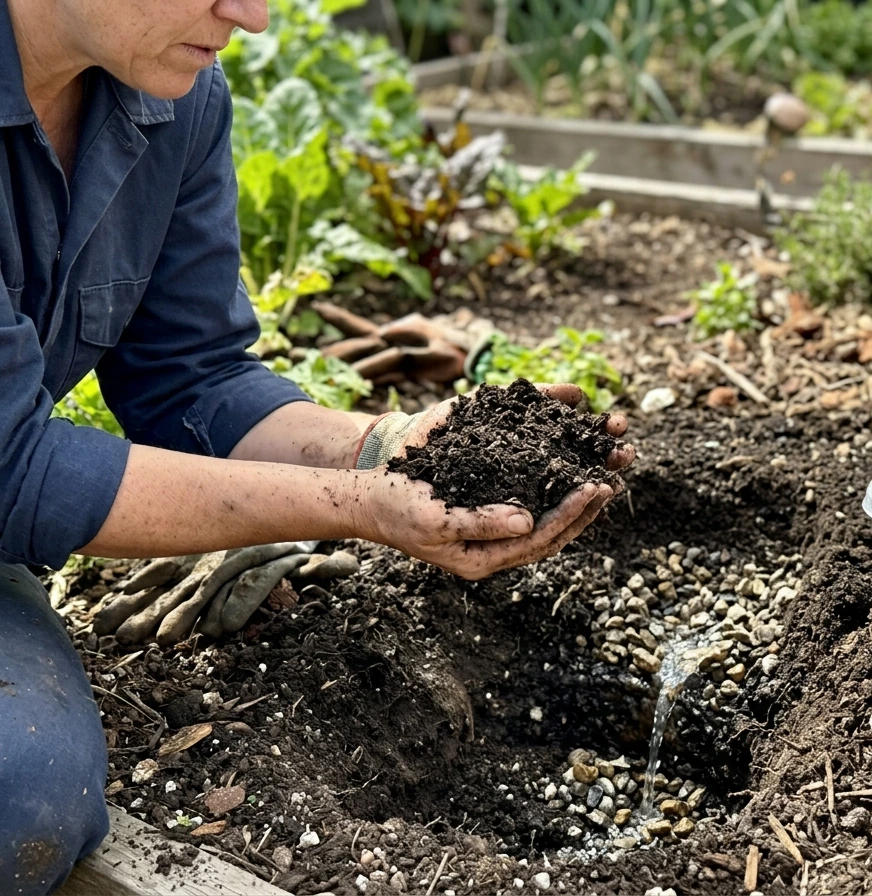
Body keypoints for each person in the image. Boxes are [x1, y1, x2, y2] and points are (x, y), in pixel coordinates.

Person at [0, 0, 635, 892]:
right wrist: (357, 510)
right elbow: (12, 470)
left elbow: (190, 378)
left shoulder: (170, 96)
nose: (251, 16)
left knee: (23, 793)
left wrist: (387, 448)